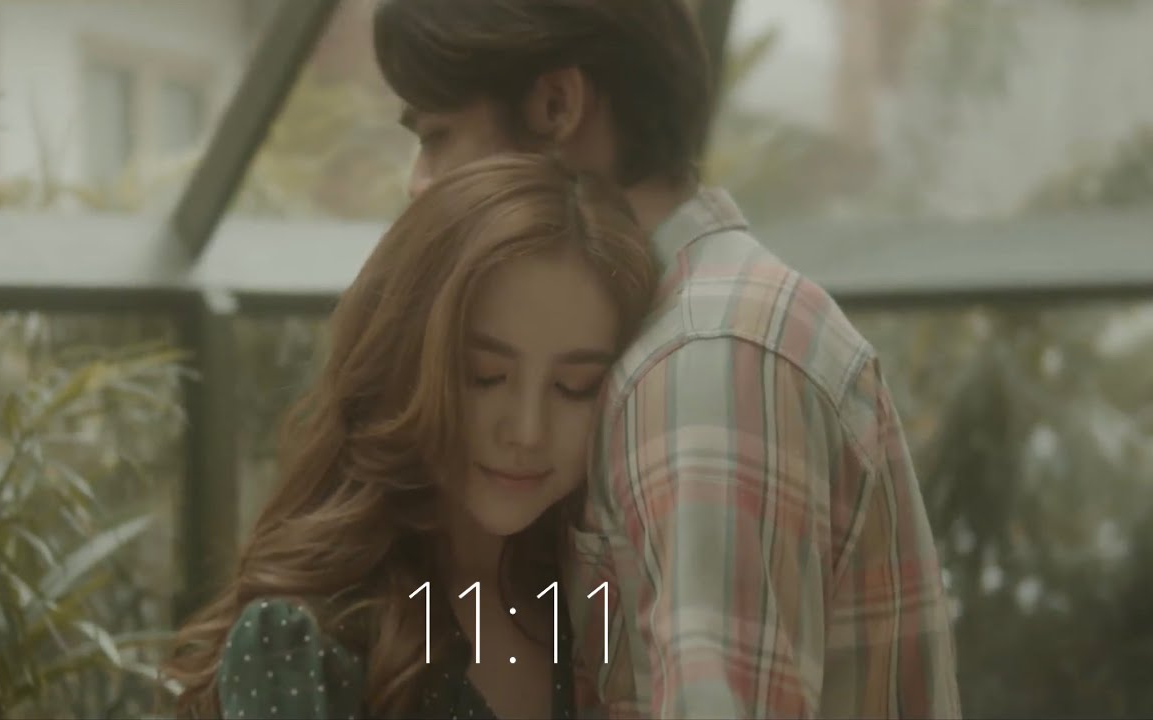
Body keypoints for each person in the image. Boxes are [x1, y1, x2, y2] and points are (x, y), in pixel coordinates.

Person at [372, 0, 963, 718]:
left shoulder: (702, 361)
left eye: (437, 137)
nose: (419, 181)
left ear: (557, 106)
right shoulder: (672, 331)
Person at [162, 154, 658, 719]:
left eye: (575, 386)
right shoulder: (308, 643)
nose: (527, 431)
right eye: (484, 376)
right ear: (402, 363)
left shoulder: (599, 608)